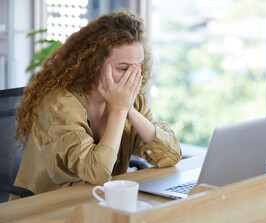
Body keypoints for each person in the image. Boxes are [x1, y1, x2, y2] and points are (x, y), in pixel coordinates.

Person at [11, 10, 182, 200]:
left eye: (138, 67)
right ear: (93, 64)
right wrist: (118, 110)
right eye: (124, 68)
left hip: (99, 203)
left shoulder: (129, 98)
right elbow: (97, 172)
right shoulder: (60, 103)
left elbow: (171, 155)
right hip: (47, 209)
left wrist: (129, 110)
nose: (133, 77)